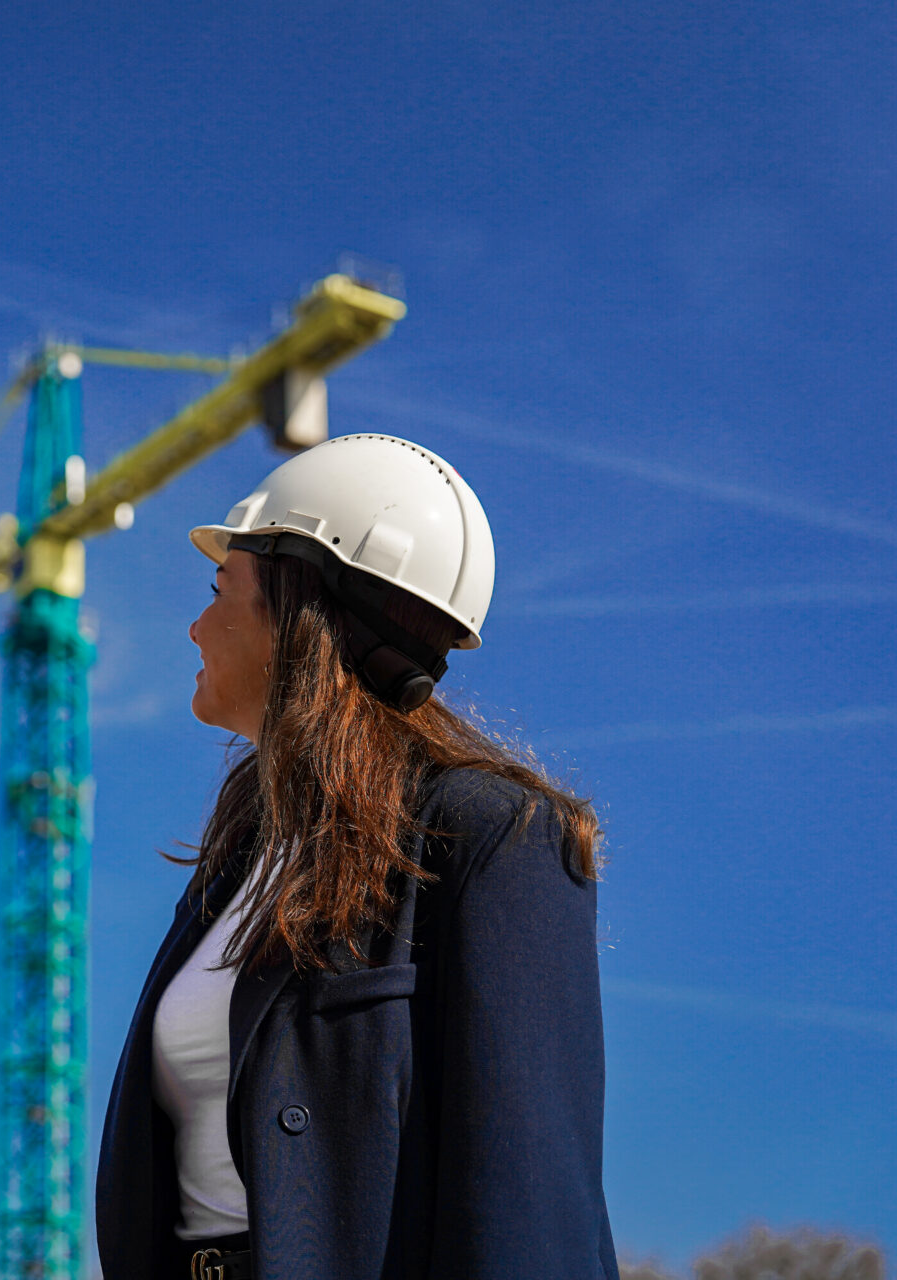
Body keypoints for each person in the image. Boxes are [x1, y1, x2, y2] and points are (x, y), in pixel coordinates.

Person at [95, 434, 617, 1280]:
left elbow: (531, 1206)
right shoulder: (242, 861)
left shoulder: (491, 838)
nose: (194, 624)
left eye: (219, 588)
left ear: (299, 610)